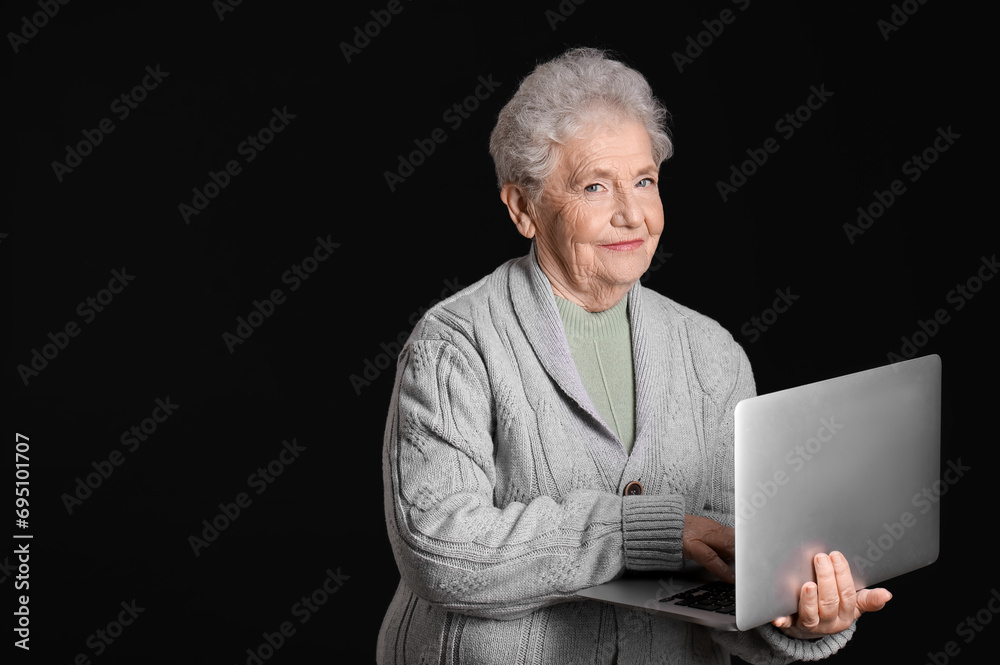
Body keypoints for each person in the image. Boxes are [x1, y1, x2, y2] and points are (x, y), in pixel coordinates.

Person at [377, 47, 891, 664]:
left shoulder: (711, 354)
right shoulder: (455, 344)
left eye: (644, 181)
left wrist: (798, 614)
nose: (633, 214)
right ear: (523, 208)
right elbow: (441, 552)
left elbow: (725, 574)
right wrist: (636, 532)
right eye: (596, 185)